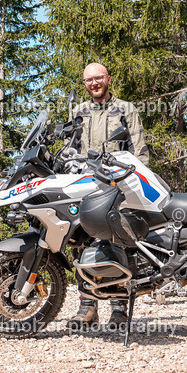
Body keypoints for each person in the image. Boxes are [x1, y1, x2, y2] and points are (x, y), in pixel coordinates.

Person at [68, 62, 150, 331]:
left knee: (120, 243)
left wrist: (133, 185)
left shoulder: (126, 109)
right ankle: (87, 306)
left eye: (99, 78)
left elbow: (140, 149)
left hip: (119, 187)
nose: (94, 83)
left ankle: (118, 308)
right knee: (80, 242)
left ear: (108, 79)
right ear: (84, 83)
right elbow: (70, 149)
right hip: (86, 186)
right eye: (89, 80)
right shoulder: (77, 112)